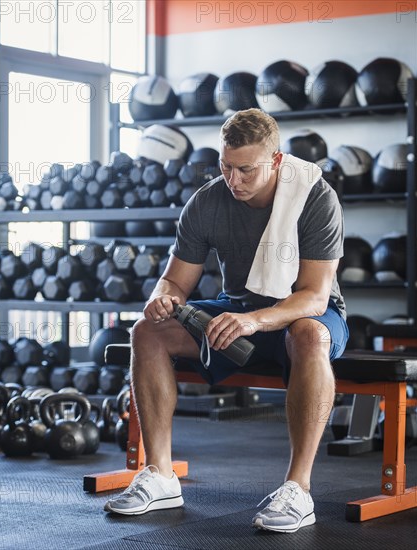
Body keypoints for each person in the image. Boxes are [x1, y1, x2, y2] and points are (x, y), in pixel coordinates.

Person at [104, 108, 349, 534]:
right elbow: (174, 281)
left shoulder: (314, 196)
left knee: (309, 336)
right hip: (237, 309)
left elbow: (314, 295)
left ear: (275, 161)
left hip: (306, 314)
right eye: (225, 166)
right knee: (148, 332)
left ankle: (298, 490)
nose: (233, 180)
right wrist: (163, 299)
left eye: (246, 170)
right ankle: (160, 475)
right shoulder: (208, 201)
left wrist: (254, 320)